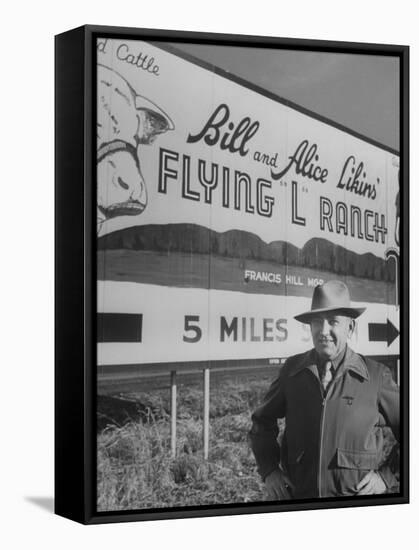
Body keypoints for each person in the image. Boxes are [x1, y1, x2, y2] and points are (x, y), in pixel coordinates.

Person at [249, 280, 399, 499]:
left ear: (350, 327)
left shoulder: (376, 377)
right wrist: (270, 470)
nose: (323, 330)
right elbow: (262, 421)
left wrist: (387, 475)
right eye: (317, 322)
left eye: (333, 321)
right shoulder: (293, 371)